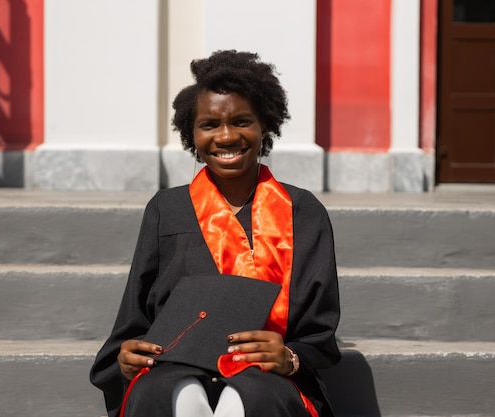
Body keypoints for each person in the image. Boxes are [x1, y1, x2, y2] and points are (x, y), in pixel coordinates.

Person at [90, 50, 341, 417]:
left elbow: (318, 333)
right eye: (209, 125)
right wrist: (128, 356)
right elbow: (136, 320)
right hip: (173, 367)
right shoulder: (166, 210)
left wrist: (289, 357)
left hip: (266, 375)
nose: (226, 137)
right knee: (166, 394)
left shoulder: (302, 211)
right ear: (192, 135)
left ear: (264, 126)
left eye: (242, 121)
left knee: (253, 399)